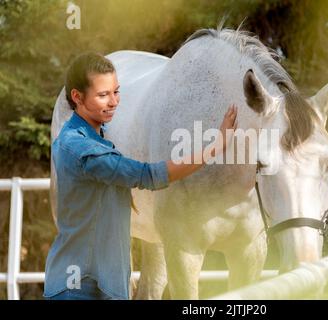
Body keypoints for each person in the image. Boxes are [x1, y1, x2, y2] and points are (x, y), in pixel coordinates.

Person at [43, 52, 238, 300]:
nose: (114, 102)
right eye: (103, 95)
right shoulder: (82, 148)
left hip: (106, 283)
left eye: (116, 92)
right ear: (77, 97)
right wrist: (215, 147)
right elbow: (148, 174)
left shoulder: (95, 137)